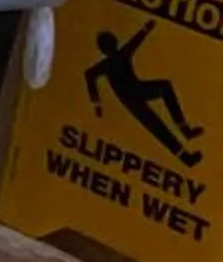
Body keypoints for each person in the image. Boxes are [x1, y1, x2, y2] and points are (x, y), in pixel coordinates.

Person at [86, 21, 205, 168]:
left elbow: (135, 41)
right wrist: (96, 103)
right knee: (158, 127)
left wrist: (145, 29)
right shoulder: (108, 63)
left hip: (138, 90)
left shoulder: (119, 56)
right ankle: (186, 156)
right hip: (132, 100)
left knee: (165, 88)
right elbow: (89, 75)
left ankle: (185, 129)